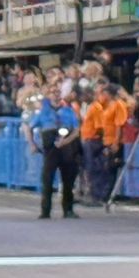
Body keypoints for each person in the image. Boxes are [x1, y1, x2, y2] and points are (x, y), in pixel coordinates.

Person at [33, 83, 81, 220]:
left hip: (66, 147)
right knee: (47, 179)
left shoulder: (68, 111)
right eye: (52, 92)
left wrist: (65, 141)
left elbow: (76, 131)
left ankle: (68, 209)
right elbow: (28, 126)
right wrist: (32, 144)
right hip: (50, 148)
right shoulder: (43, 112)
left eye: (57, 92)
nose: (55, 94)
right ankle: (45, 211)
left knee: (68, 179)